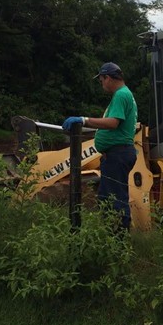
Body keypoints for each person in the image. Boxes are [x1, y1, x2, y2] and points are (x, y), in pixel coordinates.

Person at [62, 62, 138, 230]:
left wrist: (84, 120)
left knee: (115, 200)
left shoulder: (120, 95)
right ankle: (113, 238)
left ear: (108, 78)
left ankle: (118, 241)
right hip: (116, 154)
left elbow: (113, 123)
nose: (101, 84)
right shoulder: (124, 94)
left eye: (101, 80)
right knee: (108, 198)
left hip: (117, 155)